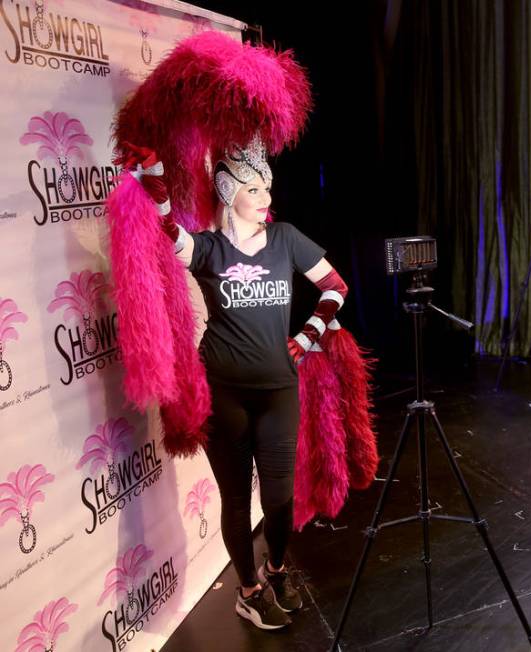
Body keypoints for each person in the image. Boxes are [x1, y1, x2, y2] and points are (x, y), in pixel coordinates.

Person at [106, 31, 377, 633]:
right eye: (255, 188)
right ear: (229, 193)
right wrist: (152, 178)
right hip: (222, 389)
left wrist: (306, 337)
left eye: (268, 187)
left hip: (278, 386)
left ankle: (277, 567)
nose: (267, 196)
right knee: (235, 499)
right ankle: (248, 590)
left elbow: (335, 287)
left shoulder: (286, 239)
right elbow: (169, 233)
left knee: (277, 495)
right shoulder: (207, 247)